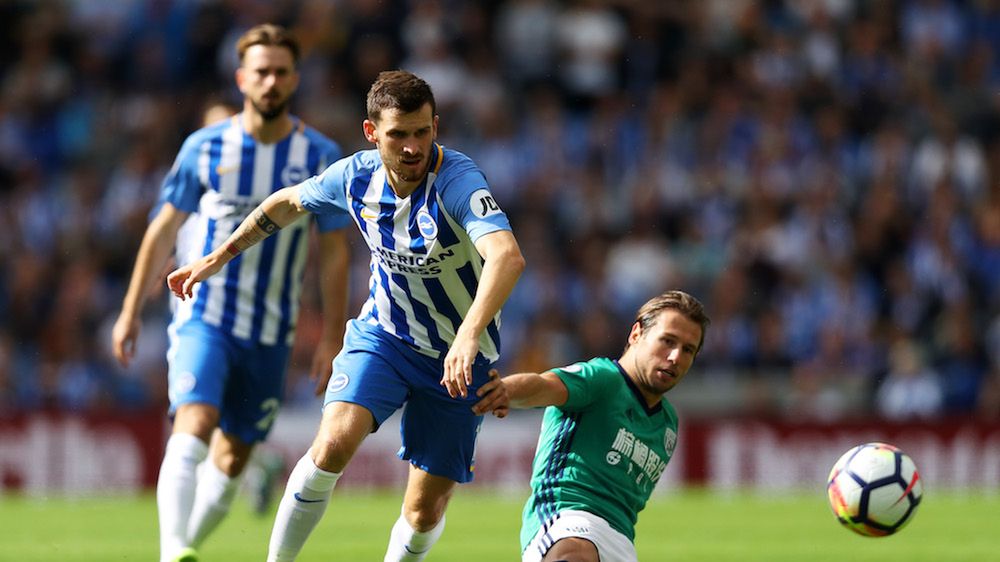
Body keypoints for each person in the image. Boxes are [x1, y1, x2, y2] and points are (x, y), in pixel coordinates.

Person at [166, 69, 525, 561]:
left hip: (459, 358)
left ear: (436, 127)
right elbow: (286, 203)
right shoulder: (354, 176)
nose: (412, 147)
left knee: (424, 513)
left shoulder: (459, 182)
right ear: (371, 132)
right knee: (332, 442)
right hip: (385, 337)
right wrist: (217, 256)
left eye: (422, 132)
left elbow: (506, 256)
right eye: (398, 134)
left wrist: (467, 335)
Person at [111, 24, 349, 562]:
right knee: (193, 421)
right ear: (242, 78)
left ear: (294, 79)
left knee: (234, 457)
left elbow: (334, 251)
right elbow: (163, 229)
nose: (270, 82)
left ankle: (187, 539)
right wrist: (129, 310)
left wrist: (331, 335)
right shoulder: (205, 146)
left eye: (281, 72)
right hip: (204, 316)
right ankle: (174, 551)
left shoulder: (319, 153)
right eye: (260, 72)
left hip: (271, 330)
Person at [473, 291, 710, 562]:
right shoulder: (603, 379)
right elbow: (544, 385)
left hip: (621, 541)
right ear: (636, 334)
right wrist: (504, 391)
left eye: (688, 350)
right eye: (667, 341)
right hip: (568, 519)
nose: (675, 357)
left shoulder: (668, 423)